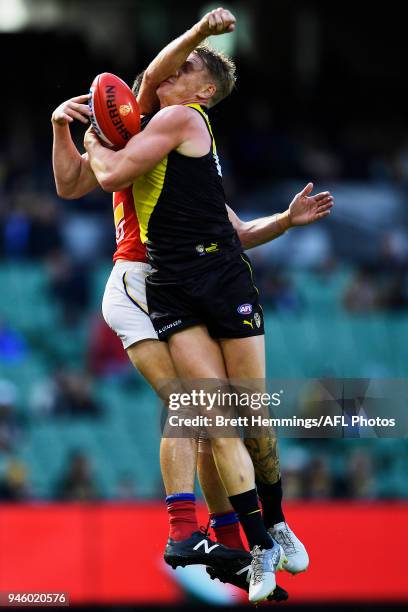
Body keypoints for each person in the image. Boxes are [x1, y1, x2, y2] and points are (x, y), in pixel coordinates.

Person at [52, 8, 333, 602]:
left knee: (218, 419)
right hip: (143, 279)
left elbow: (230, 227)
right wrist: (69, 133)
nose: (160, 77)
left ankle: (238, 542)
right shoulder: (145, 128)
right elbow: (79, 182)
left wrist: (285, 218)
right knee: (197, 410)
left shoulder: (165, 131)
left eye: (185, 69)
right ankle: (196, 534)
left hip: (185, 277)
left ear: (201, 89)